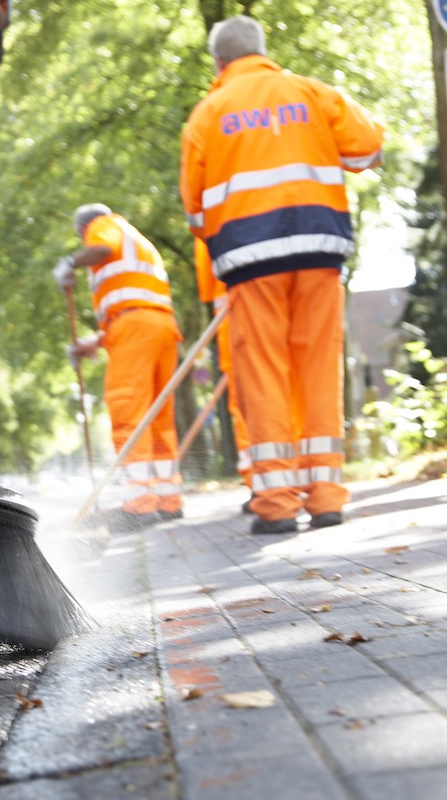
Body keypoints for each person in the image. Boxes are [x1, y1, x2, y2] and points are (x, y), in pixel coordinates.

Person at [179, 16, 384, 534]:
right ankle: (327, 498)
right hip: (319, 250)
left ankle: (275, 504)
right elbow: (368, 148)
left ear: (220, 64)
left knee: (264, 375)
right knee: (317, 371)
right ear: (263, 51)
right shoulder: (312, 93)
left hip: (250, 264)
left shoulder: (207, 115)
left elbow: (196, 213)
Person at [54, 204, 183, 531]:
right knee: (158, 417)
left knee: (129, 410)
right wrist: (92, 344)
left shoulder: (103, 225)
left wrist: (70, 262)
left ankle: (139, 506)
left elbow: (101, 249)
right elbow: (132, 302)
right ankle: (168, 502)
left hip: (135, 328)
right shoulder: (138, 242)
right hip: (160, 326)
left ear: (83, 228)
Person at [193, 238, 252, 505]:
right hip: (246, 305)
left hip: (239, 312)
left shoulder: (211, 215)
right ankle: (271, 481)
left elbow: (210, 285)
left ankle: (264, 482)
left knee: (248, 400)